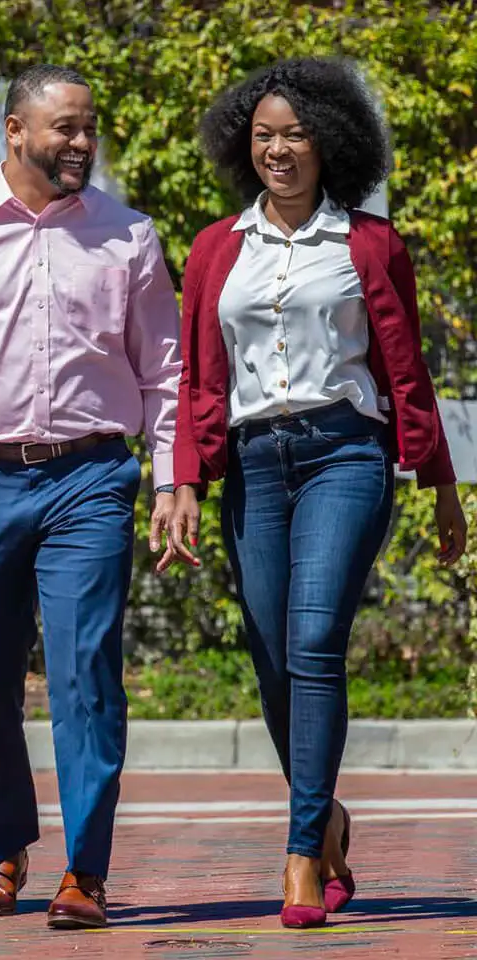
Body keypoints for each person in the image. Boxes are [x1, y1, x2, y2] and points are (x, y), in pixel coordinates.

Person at [0, 65, 188, 930]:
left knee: (87, 675)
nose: (81, 144)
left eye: (89, 129)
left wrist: (171, 476)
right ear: (15, 132)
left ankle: (85, 871)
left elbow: (165, 370)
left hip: (90, 476)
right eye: (64, 130)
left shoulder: (129, 237)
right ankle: (2, 849)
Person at [168, 57, 468, 928]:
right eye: (263, 135)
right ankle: (327, 813)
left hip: (347, 454)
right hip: (256, 462)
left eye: (294, 133)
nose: (278, 150)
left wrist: (440, 485)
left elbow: (406, 372)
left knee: (313, 639)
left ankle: (301, 854)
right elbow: (198, 375)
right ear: (242, 146)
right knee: (271, 658)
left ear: (328, 140)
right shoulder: (216, 248)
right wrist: (186, 476)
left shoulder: (369, 244)